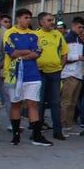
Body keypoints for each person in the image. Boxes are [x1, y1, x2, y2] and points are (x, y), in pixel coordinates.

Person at [3, 8, 52, 147]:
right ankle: (16, 135)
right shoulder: (10, 33)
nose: (28, 20)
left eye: (30, 17)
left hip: (32, 74)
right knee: (16, 103)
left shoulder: (33, 34)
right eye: (25, 17)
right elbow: (12, 52)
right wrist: (27, 52)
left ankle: (36, 135)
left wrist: (24, 54)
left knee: (33, 103)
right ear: (18, 18)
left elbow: (37, 52)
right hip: (15, 75)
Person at [35, 12, 69, 140]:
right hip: (40, 72)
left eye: (52, 20)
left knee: (55, 102)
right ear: (41, 22)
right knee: (40, 102)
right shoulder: (35, 35)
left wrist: (60, 67)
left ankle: (57, 130)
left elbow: (64, 53)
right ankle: (37, 129)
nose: (52, 22)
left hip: (55, 73)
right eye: (49, 20)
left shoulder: (58, 35)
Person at [60, 17, 84, 133]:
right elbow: (64, 58)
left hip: (78, 73)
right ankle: (62, 123)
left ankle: (68, 124)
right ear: (73, 25)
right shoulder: (67, 38)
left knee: (73, 102)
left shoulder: (80, 40)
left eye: (82, 27)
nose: (81, 30)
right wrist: (78, 58)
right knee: (66, 101)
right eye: (79, 27)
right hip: (69, 74)